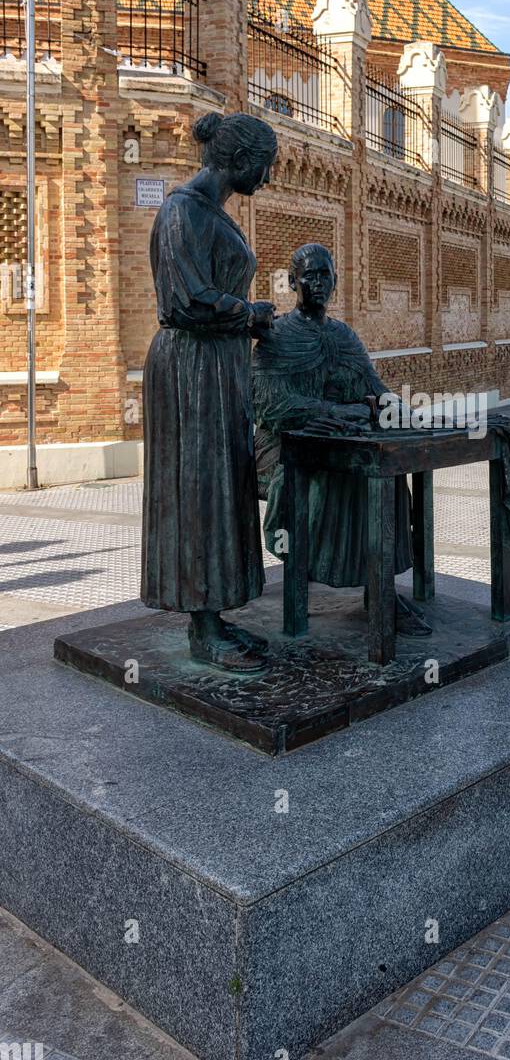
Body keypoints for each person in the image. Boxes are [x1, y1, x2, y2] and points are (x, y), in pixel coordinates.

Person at [141, 111, 278, 673]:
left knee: (223, 483)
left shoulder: (213, 214)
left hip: (220, 368)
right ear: (241, 162)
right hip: (190, 369)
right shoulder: (182, 211)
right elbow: (186, 302)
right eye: (264, 169)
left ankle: (215, 613)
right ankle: (201, 626)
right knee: (197, 487)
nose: (266, 181)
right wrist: (249, 313)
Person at [252, 241, 431, 636]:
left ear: (335, 280)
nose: (318, 282)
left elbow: (375, 387)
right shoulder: (277, 337)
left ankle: (380, 587)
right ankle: (314, 580)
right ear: (294, 281)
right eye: (309, 275)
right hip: (283, 445)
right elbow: (271, 406)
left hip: (343, 439)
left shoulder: (344, 336)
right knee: (339, 476)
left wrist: (401, 411)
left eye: (325, 274)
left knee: (388, 472)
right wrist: (338, 412)